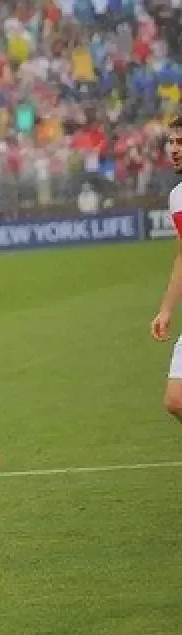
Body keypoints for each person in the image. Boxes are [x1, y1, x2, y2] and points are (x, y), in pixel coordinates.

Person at [150, 116, 182, 422]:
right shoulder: (177, 197)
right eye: (171, 142)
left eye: (181, 143)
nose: (174, 149)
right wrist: (166, 309)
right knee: (175, 400)